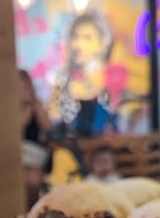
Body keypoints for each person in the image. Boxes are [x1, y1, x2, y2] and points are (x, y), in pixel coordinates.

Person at [50, 10, 119, 145]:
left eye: (87, 37)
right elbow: (53, 118)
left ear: (103, 43)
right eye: (75, 37)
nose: (78, 44)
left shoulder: (112, 80)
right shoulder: (62, 80)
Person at [18, 68, 53, 208]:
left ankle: (30, 209)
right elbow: (18, 128)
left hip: (33, 154)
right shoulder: (8, 107)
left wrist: (33, 106)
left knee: (32, 180)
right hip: (13, 151)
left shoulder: (36, 105)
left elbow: (47, 127)